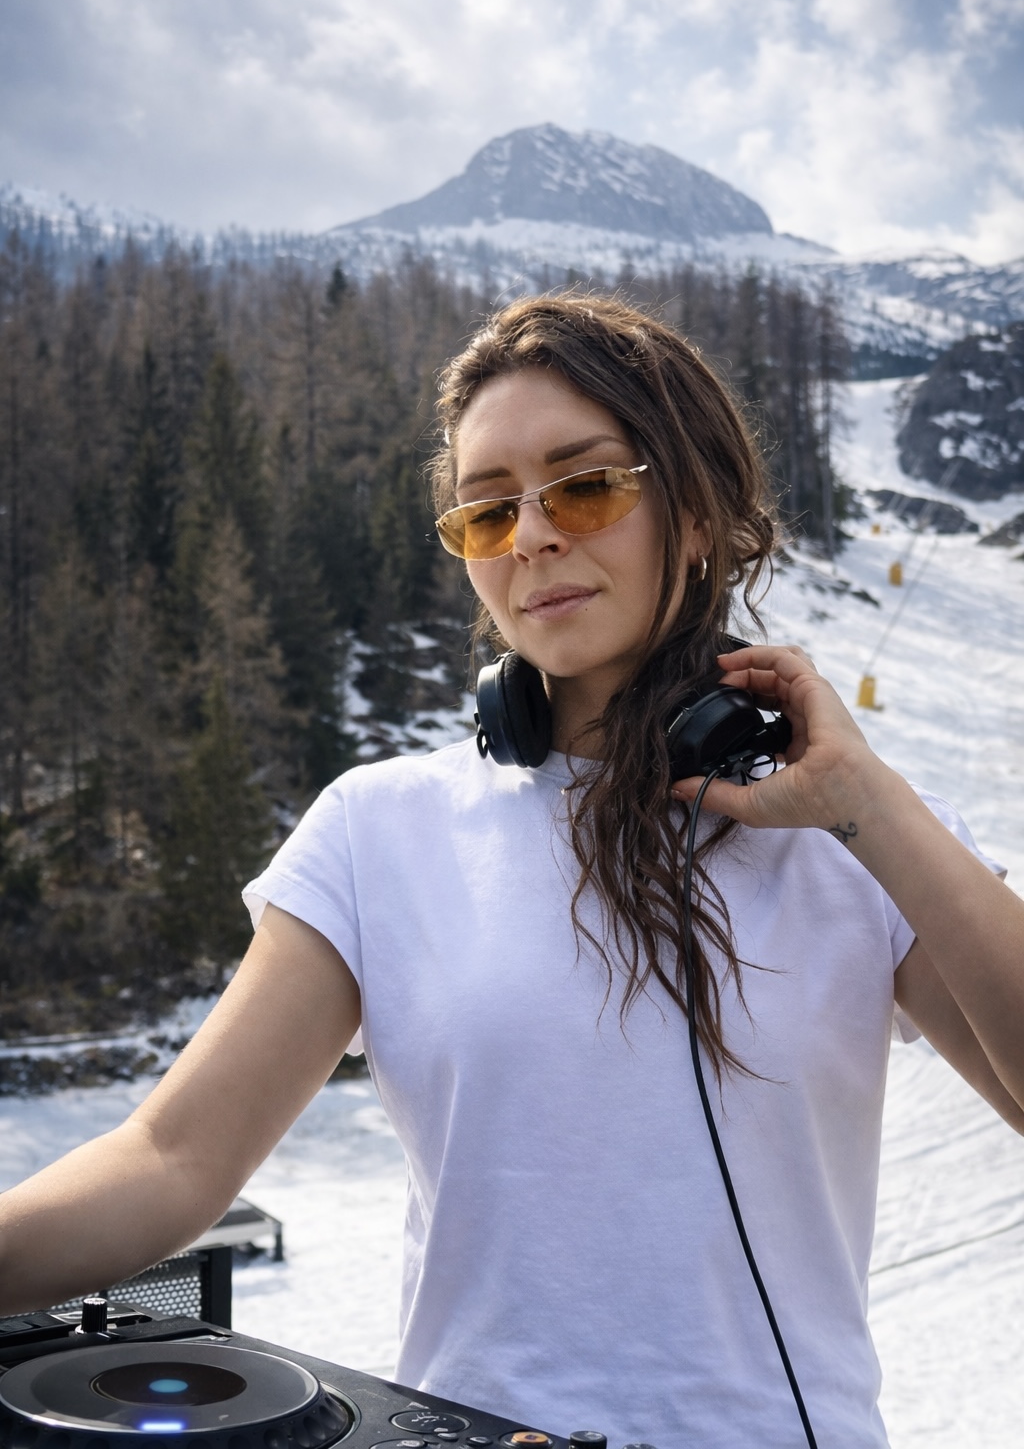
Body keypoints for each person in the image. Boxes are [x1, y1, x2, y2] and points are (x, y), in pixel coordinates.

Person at [1, 295, 1022, 1449]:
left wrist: (868, 806)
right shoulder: (376, 830)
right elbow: (170, 1159)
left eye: (583, 486)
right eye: (486, 513)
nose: (533, 536)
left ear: (696, 513)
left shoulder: (861, 839)